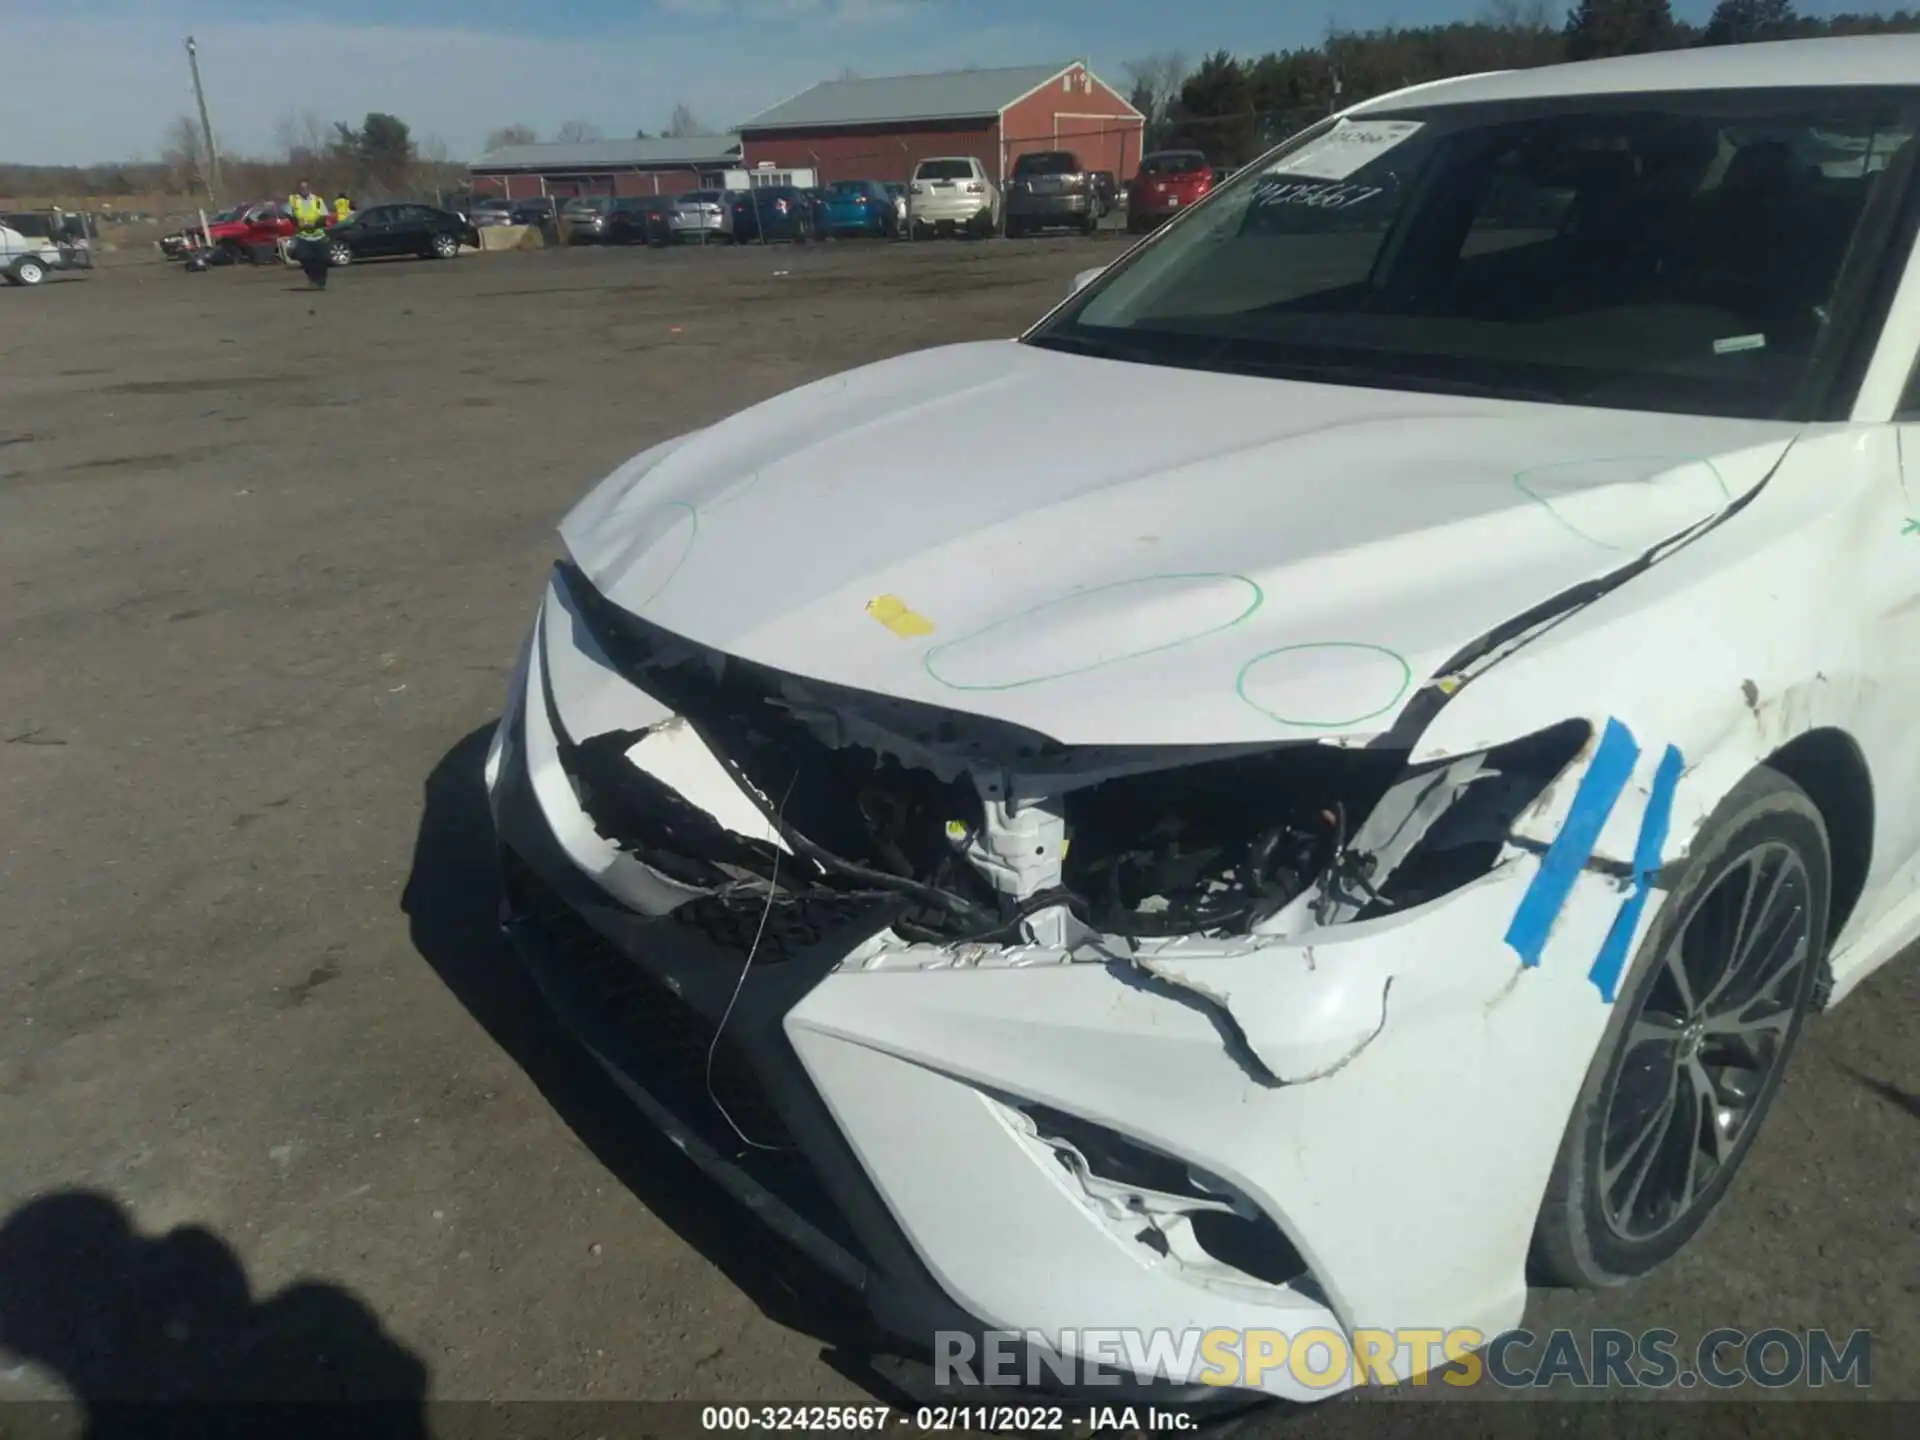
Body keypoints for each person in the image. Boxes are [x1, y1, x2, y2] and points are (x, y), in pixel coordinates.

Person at [287, 179, 331, 289]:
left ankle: (321, 281)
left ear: (310, 188)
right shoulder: (293, 200)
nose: (304, 190)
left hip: (318, 234)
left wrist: (314, 224)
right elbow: (289, 215)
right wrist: (297, 223)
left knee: (322, 260)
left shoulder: (317, 200)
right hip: (303, 235)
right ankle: (312, 279)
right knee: (306, 258)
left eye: (306, 187)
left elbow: (323, 216)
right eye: (302, 188)